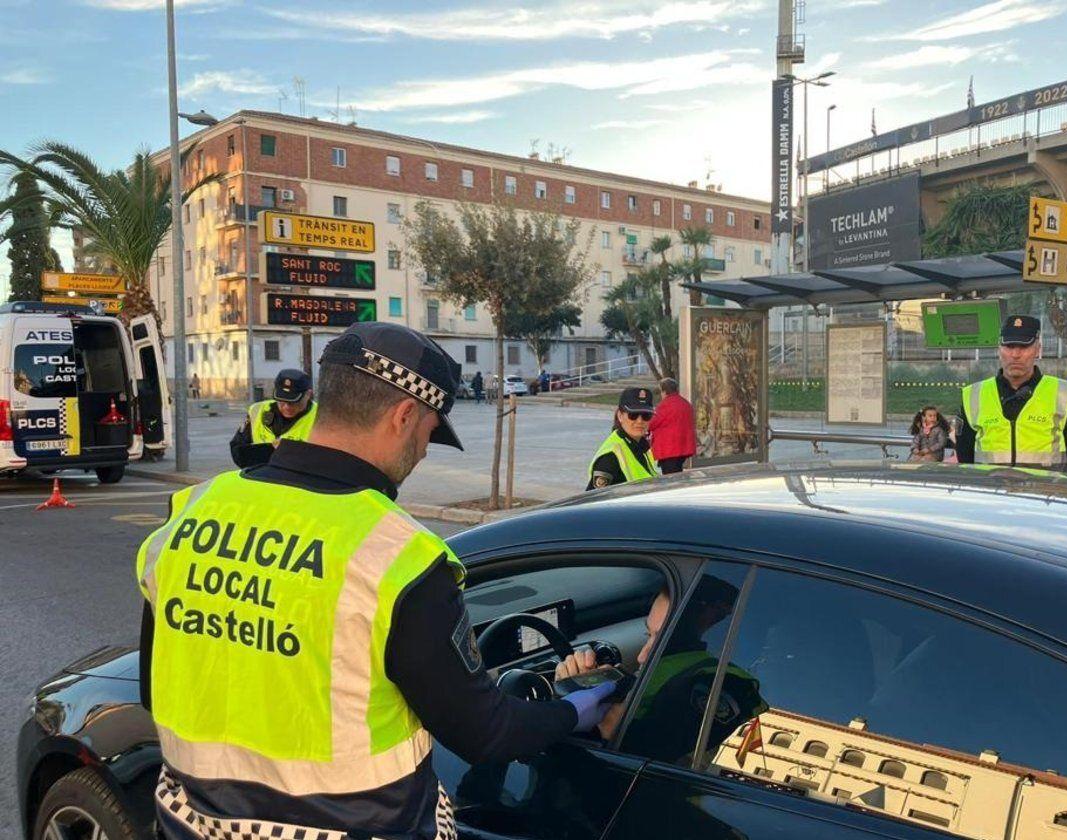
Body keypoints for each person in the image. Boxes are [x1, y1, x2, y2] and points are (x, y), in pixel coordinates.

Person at [136, 323, 616, 840]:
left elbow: (154, 681)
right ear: (405, 415)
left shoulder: (191, 511)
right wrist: (579, 704)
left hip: (192, 823)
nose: (426, 451)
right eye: (431, 431)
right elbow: (485, 731)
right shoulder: (398, 557)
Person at [555, 577, 765, 762]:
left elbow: (653, 756)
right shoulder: (676, 663)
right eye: (649, 635)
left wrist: (584, 711)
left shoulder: (729, 683)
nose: (642, 656)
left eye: (664, 638)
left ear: (715, 618)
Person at [955, 315, 1067, 474]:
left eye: (1024, 347)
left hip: (1045, 495)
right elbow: (965, 457)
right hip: (991, 494)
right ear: (999, 350)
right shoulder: (973, 395)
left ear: (1038, 349)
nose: (1015, 355)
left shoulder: (1064, 394)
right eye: (1009, 346)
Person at [228, 368, 318, 468]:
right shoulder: (257, 410)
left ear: (308, 394)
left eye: (293, 401)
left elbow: (324, 461)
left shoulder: (321, 416)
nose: (287, 407)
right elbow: (237, 451)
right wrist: (270, 450)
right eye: (282, 400)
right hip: (260, 478)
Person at [587, 386, 658, 490]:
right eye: (633, 415)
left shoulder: (643, 447)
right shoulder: (610, 456)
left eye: (646, 415)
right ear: (620, 416)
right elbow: (593, 501)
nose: (639, 421)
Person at [648, 378, 697, 474]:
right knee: (678, 472)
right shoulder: (685, 403)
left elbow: (651, 424)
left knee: (670, 477)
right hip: (683, 447)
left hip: (669, 449)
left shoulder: (664, 405)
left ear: (664, 391)